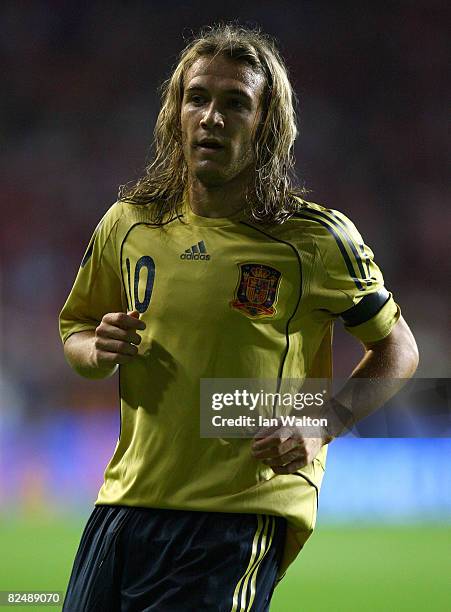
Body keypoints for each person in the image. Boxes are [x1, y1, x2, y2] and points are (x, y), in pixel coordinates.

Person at [59, 23, 419, 611]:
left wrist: (320, 423)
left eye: (235, 103)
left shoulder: (315, 239)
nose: (212, 117)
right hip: (125, 504)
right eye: (197, 97)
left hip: (233, 521)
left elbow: (399, 350)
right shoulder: (129, 223)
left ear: (267, 124)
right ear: (175, 112)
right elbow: (75, 331)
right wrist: (95, 351)